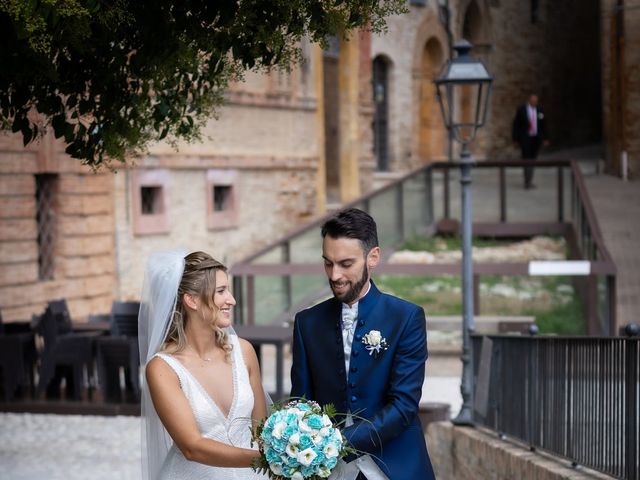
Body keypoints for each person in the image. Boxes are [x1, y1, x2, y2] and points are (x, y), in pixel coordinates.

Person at [290, 208, 435, 480]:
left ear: (373, 257)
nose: (334, 276)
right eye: (327, 263)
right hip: (326, 471)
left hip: (394, 467)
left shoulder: (406, 318)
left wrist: (337, 442)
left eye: (346, 264)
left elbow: (404, 406)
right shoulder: (306, 323)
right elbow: (301, 402)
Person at [138, 250, 268, 480]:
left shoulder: (244, 351)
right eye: (221, 291)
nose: (232, 299)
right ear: (192, 300)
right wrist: (266, 459)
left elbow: (261, 431)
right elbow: (192, 446)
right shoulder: (163, 369)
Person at [512, 93, 549, 189]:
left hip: (536, 138)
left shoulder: (540, 110)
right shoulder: (522, 110)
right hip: (525, 138)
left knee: (533, 159)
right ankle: (527, 181)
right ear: (529, 100)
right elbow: (516, 125)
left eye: (536, 101)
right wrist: (515, 139)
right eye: (533, 101)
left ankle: (530, 179)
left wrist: (545, 138)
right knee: (526, 159)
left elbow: (544, 125)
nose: (534, 103)